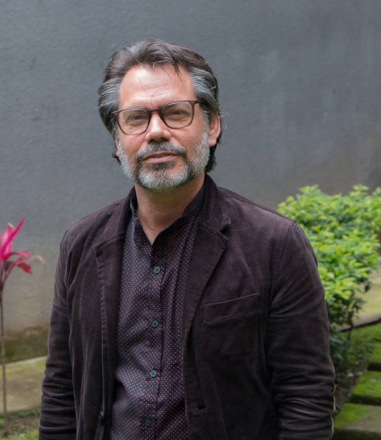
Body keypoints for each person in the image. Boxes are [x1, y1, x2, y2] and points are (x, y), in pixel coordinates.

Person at [39, 39, 335, 440]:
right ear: (116, 138)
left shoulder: (274, 245)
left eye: (176, 113)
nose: (156, 132)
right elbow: (62, 387)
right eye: (136, 118)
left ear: (211, 126)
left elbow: (306, 395)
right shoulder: (81, 244)